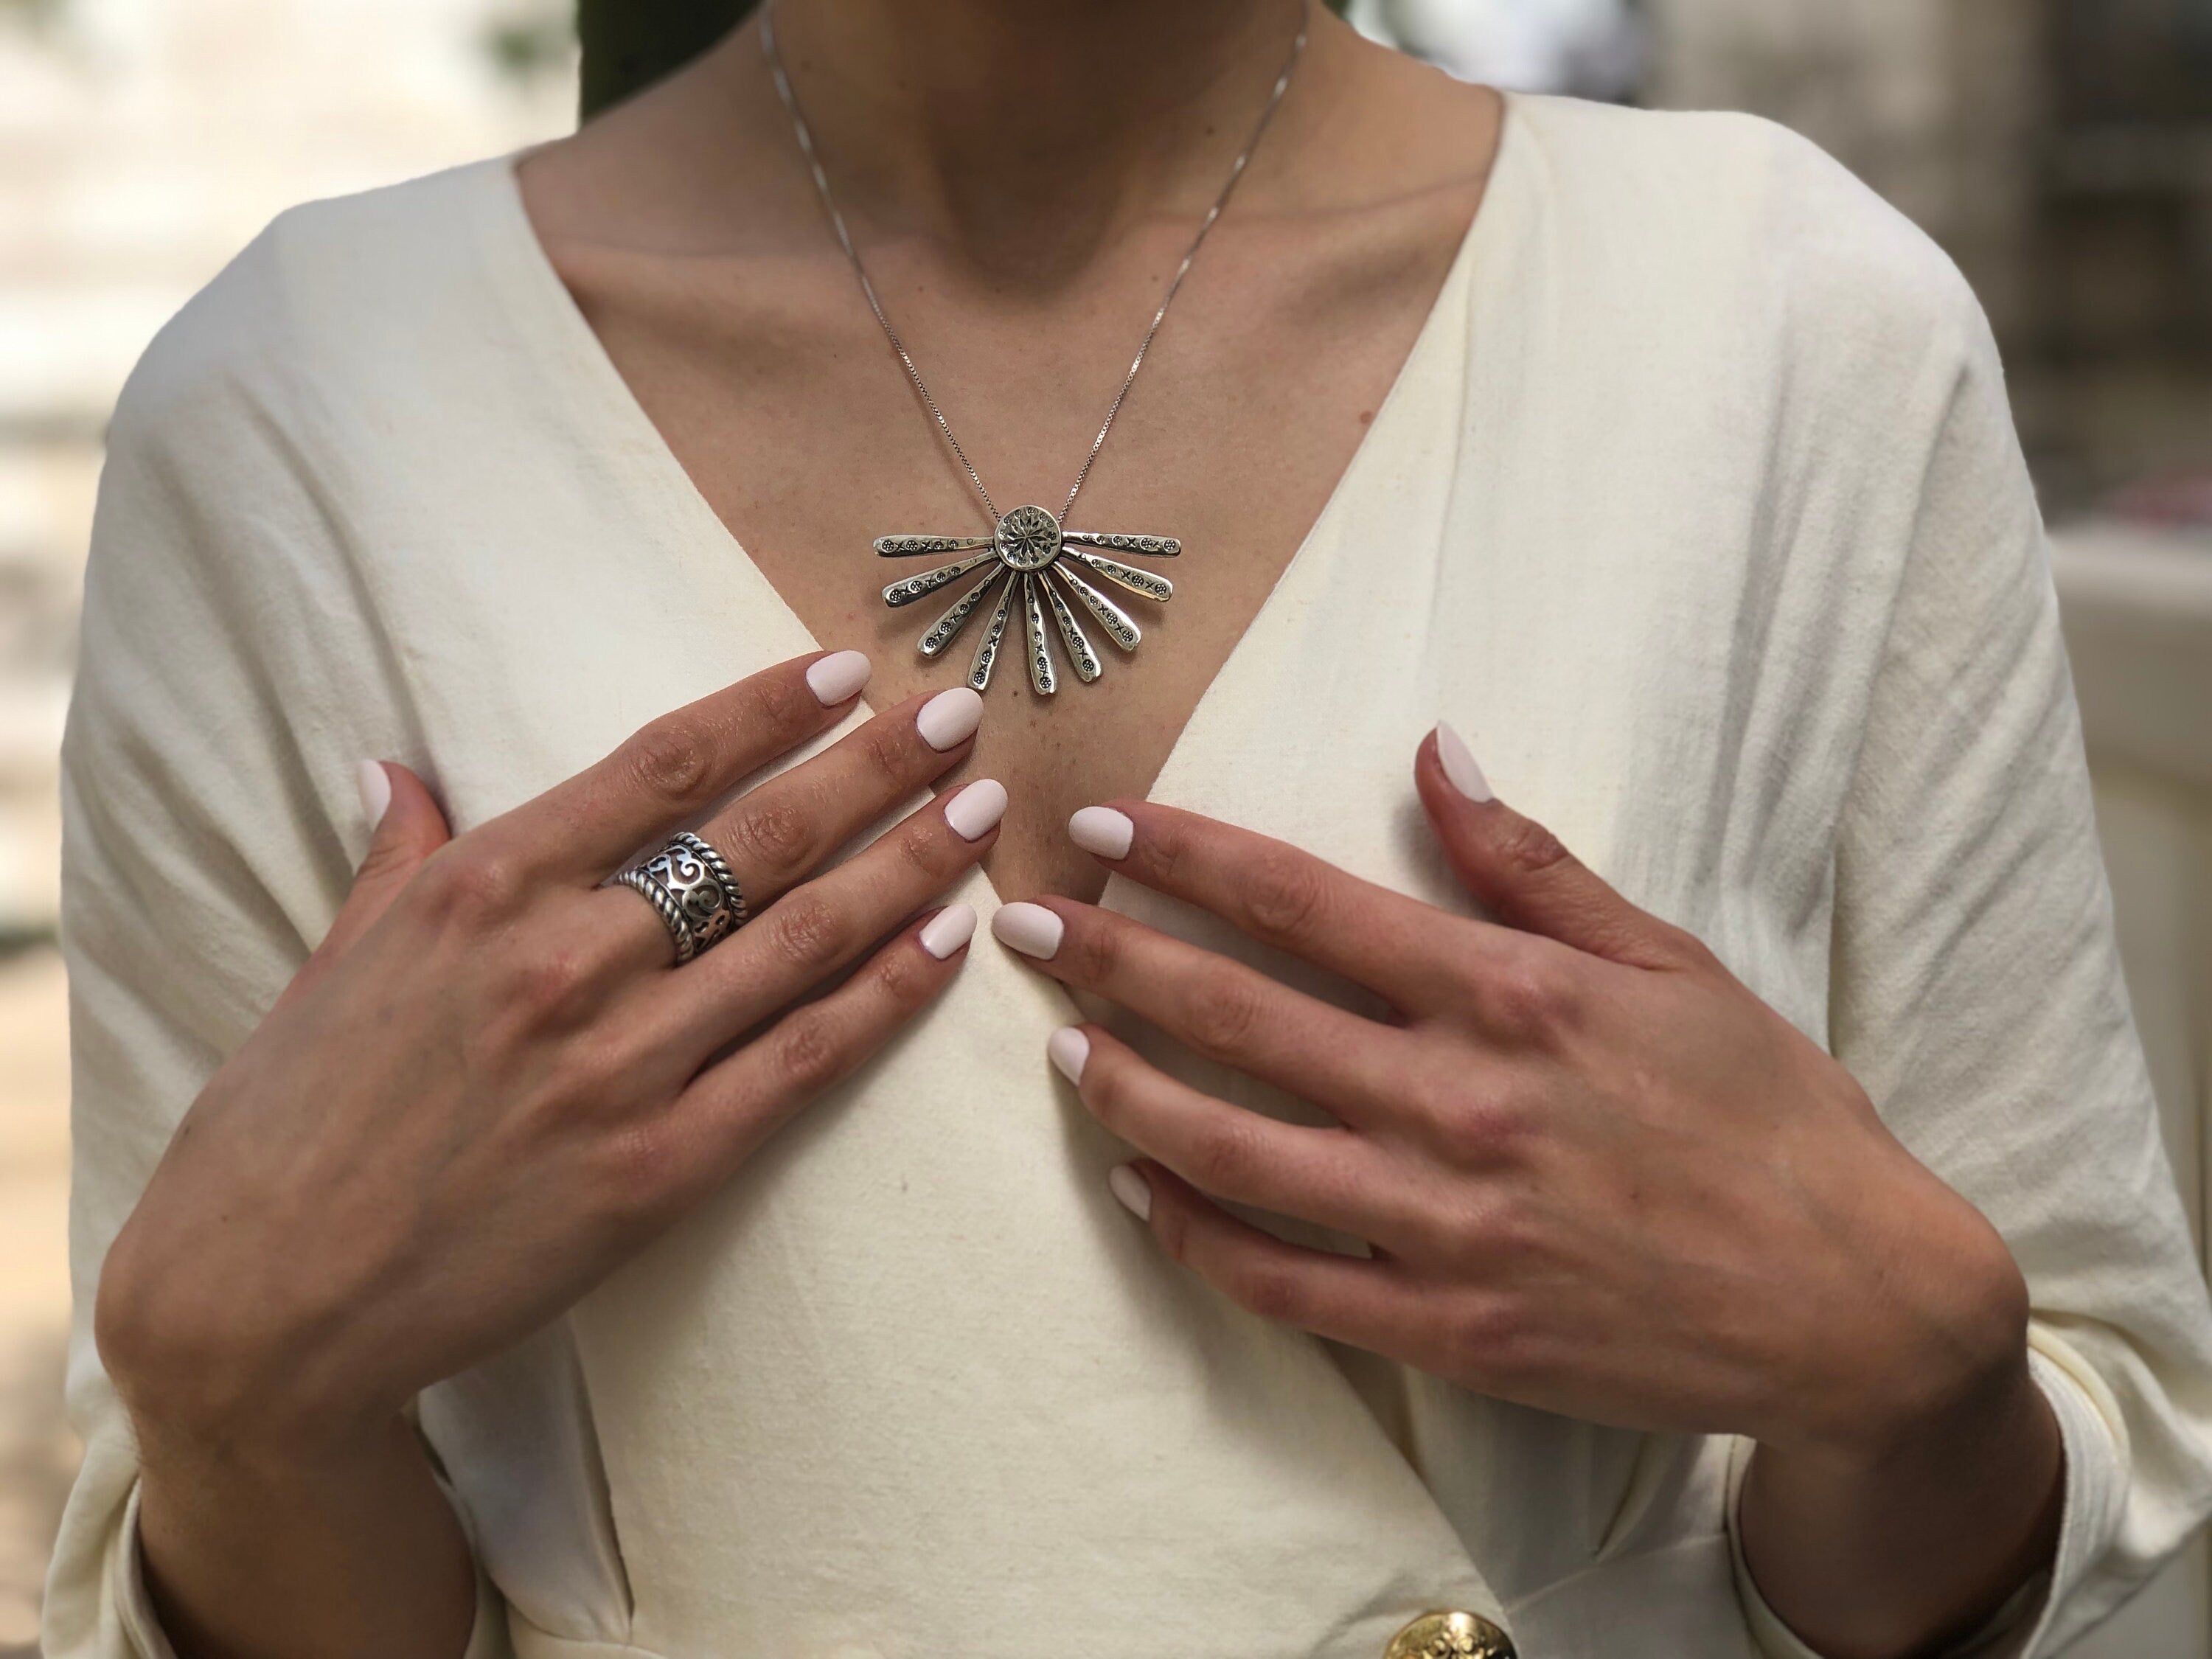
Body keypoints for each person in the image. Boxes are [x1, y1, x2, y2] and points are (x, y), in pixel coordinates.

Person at [44, 1, 2212, 1656]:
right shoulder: (305, 419)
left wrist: (1909, 1383)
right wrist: (238, 1412)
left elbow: (2086, 1438)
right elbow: (244, 1522)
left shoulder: (1792, 330)